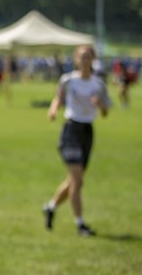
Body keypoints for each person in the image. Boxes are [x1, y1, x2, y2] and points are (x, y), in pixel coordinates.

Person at [42, 45, 112, 236]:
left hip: (87, 131)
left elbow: (106, 112)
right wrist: (53, 109)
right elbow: (58, 98)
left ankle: (50, 207)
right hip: (71, 130)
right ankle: (80, 224)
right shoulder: (68, 80)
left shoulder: (98, 84)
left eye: (88, 57)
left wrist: (100, 105)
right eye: (81, 57)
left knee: (75, 180)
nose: (85, 60)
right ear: (75, 59)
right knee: (77, 179)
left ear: (93, 59)